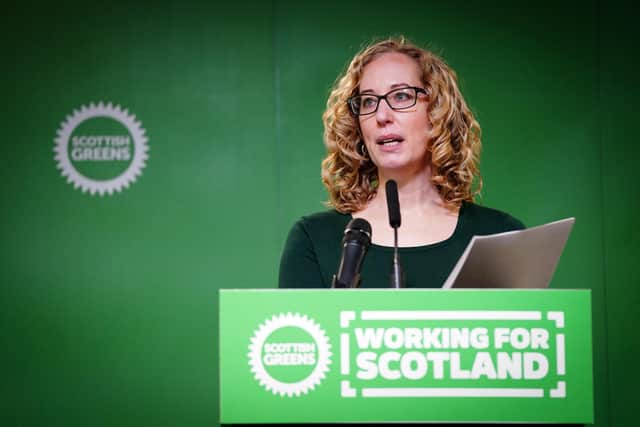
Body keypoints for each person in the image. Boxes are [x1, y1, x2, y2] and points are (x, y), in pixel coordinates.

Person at [279, 37, 524, 289]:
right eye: (368, 101)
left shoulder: (501, 235)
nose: (382, 116)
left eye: (402, 96)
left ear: (437, 111)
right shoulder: (315, 239)